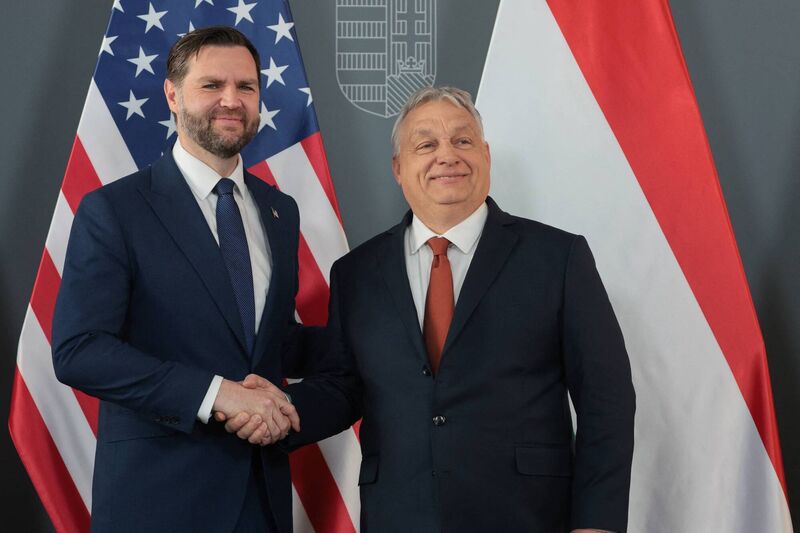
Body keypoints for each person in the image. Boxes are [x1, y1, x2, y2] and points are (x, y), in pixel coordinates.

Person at [52, 27, 354, 533]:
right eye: (212, 85)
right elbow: (79, 349)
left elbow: (266, 339)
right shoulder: (115, 210)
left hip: (262, 496)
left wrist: (377, 341)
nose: (231, 101)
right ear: (172, 94)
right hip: (159, 502)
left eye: (247, 87)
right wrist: (218, 394)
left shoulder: (280, 211)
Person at [317, 86, 635, 532]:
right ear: (398, 168)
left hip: (528, 516)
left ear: (485, 155)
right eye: (426, 144)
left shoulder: (558, 258)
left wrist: (597, 524)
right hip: (399, 517)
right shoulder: (355, 273)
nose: (447, 155)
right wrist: (272, 412)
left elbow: (607, 400)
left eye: (462, 141)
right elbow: (342, 388)